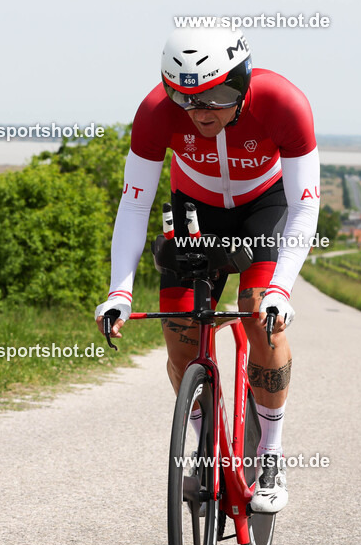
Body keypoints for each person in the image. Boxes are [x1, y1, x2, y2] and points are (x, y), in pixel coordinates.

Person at [94, 27, 319, 514]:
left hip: (264, 207)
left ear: (242, 81)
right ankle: (203, 444)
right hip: (194, 207)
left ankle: (272, 452)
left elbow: (304, 208)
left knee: (259, 314)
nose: (201, 112)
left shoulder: (283, 103)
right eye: (185, 98)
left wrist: (282, 287)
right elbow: (134, 207)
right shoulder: (156, 112)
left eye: (217, 95)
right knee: (178, 335)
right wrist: (120, 292)